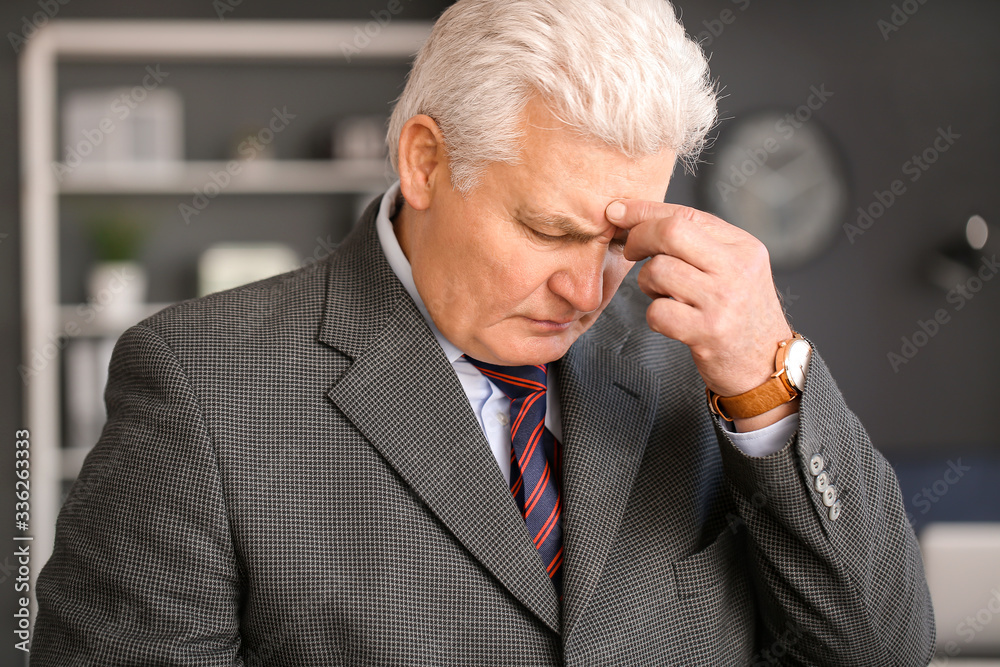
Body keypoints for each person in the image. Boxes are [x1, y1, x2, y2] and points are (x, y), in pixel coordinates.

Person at [32, 0, 935, 664]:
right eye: (548, 230)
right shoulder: (200, 383)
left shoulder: (706, 364)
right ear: (426, 160)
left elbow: (880, 651)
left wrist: (768, 383)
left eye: (618, 238)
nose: (589, 289)